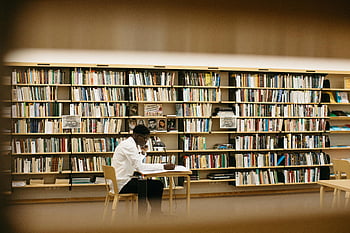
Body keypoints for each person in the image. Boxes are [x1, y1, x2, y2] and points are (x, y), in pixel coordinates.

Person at [111, 124, 175, 216]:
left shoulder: (130, 144)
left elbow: (136, 162)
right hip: (122, 184)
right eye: (144, 138)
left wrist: (143, 153)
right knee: (156, 185)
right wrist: (163, 167)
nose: (146, 141)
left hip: (122, 180)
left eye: (147, 139)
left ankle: (155, 213)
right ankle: (154, 214)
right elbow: (140, 167)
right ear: (136, 136)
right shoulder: (129, 146)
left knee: (150, 184)